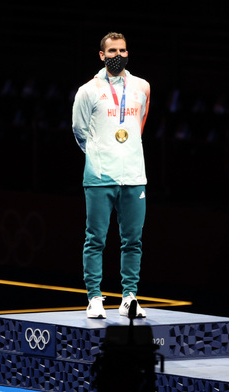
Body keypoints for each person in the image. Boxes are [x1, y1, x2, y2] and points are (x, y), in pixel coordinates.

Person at [72, 32, 151, 319]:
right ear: (102, 55)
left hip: (134, 175)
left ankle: (129, 297)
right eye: (112, 51)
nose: (118, 55)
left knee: (133, 240)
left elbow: (138, 125)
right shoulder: (88, 90)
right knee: (95, 238)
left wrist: (124, 152)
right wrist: (99, 155)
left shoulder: (142, 87)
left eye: (123, 50)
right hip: (99, 176)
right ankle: (94, 297)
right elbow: (79, 131)